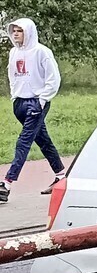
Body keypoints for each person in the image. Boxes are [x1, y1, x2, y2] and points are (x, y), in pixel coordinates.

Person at [2, 18, 65, 202]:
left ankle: (7, 182)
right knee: (43, 139)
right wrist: (15, 97)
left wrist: (42, 100)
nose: (15, 34)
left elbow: (53, 79)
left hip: (36, 103)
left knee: (24, 140)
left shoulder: (42, 52)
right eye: (13, 31)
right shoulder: (14, 52)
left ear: (28, 32)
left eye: (19, 31)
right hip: (19, 103)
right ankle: (61, 175)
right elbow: (12, 76)